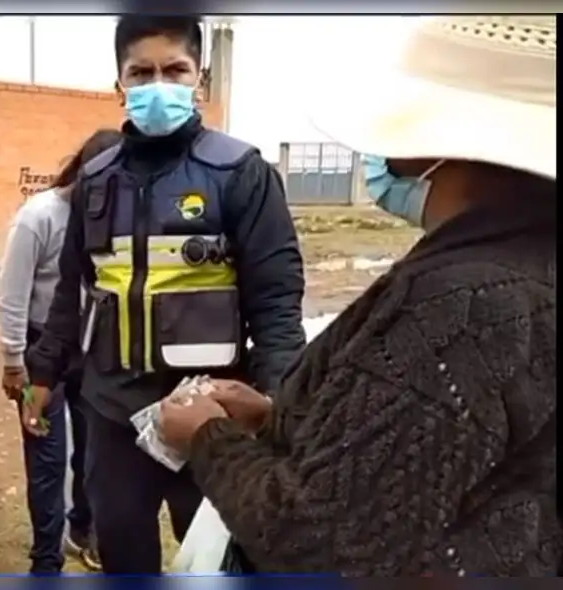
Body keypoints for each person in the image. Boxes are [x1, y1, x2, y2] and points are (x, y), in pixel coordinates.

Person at [158, 15, 558, 576]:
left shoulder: (463, 306)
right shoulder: (525, 264)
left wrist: (206, 435)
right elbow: (437, 443)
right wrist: (285, 418)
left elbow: (314, 539)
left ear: (428, 145)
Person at [24, 15, 306, 574]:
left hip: (209, 412)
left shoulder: (241, 173)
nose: (158, 85)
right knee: (123, 556)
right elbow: (72, 291)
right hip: (111, 410)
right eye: (141, 72)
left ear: (199, 79)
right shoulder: (96, 180)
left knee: (216, 561)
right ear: (119, 83)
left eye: (174, 70)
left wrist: (279, 404)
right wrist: (42, 374)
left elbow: (276, 306)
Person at [0, 129, 123, 574]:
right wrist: (14, 362)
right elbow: (12, 295)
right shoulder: (39, 217)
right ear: (82, 173)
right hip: (39, 353)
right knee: (46, 461)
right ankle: (46, 559)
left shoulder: (115, 216)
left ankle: (83, 531)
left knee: (95, 454)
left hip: (92, 351)